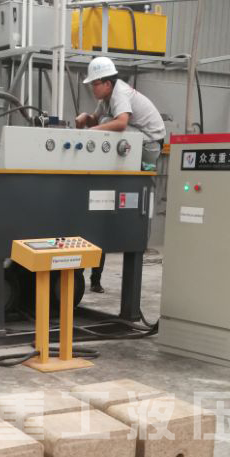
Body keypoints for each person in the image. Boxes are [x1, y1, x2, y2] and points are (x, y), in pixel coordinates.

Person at [76, 56, 165, 293]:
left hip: (149, 145)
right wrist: (86, 118)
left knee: (109, 122)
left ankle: (96, 277)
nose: (92, 88)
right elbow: (97, 120)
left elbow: (122, 123)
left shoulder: (120, 94)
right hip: (140, 141)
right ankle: (95, 279)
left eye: (95, 84)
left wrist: (94, 130)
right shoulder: (106, 98)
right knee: (104, 120)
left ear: (107, 83)